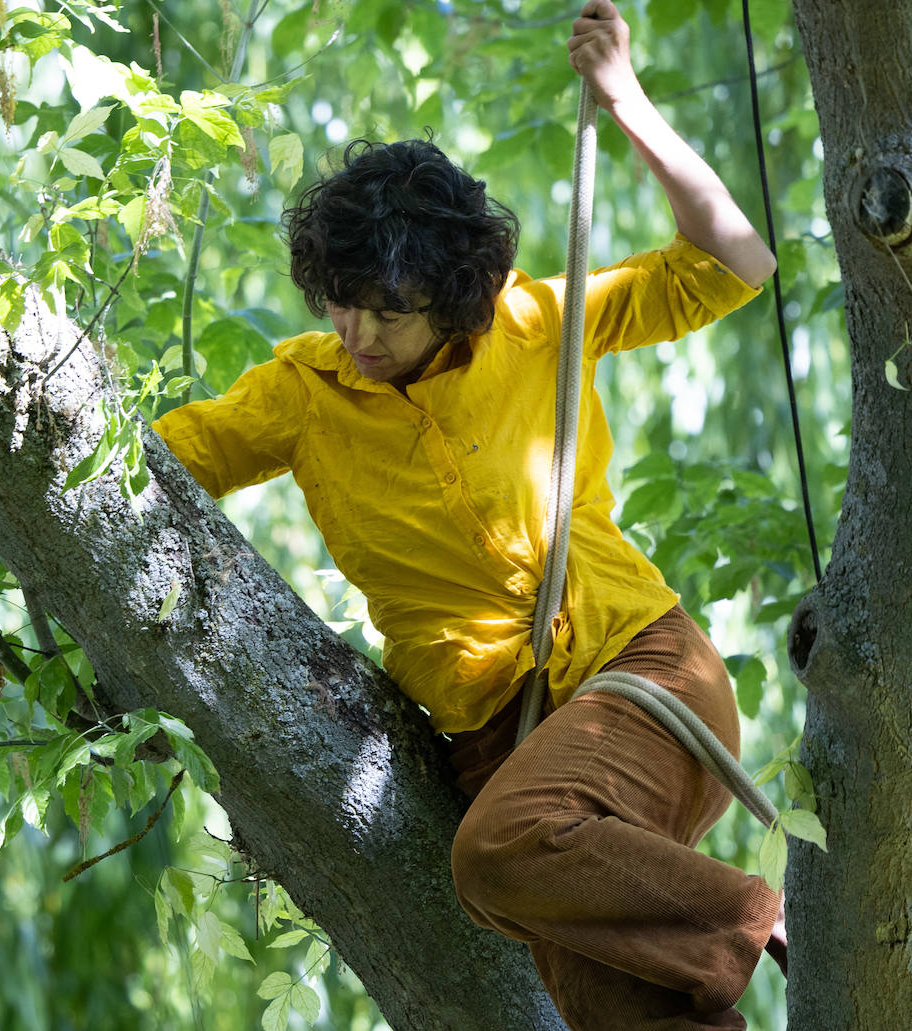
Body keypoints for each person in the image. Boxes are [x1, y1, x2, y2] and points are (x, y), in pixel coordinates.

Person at [152, 2, 783, 1027]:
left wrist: (627, 102)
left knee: (490, 853)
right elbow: (159, 462)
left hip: (645, 676)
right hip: (512, 762)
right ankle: (743, 932)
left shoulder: (535, 325)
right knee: (625, 1009)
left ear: (455, 301)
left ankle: (768, 915)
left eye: (386, 311)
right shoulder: (302, 393)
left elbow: (735, 263)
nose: (354, 331)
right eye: (340, 301)